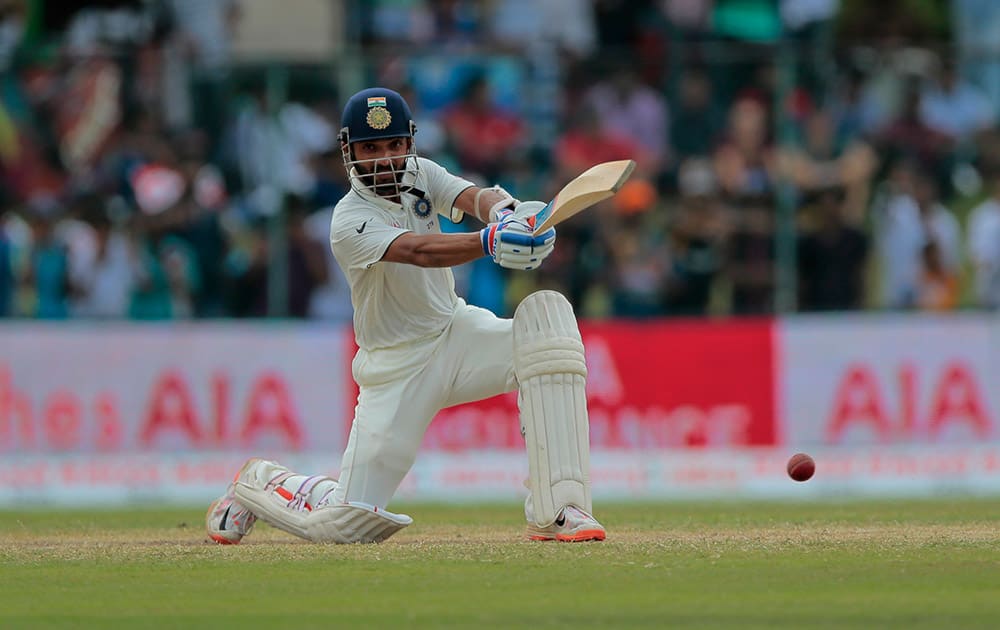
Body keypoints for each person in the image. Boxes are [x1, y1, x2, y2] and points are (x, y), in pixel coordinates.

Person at [205, 87, 607, 544]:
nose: (385, 159)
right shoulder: (347, 219)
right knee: (347, 524)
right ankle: (258, 481)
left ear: (410, 142)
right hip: (396, 369)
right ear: (348, 151)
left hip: (457, 334)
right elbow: (417, 251)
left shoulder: (420, 174)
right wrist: (489, 241)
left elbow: (471, 196)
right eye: (371, 148)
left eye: (395, 145)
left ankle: (560, 509)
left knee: (549, 328)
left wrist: (509, 211)